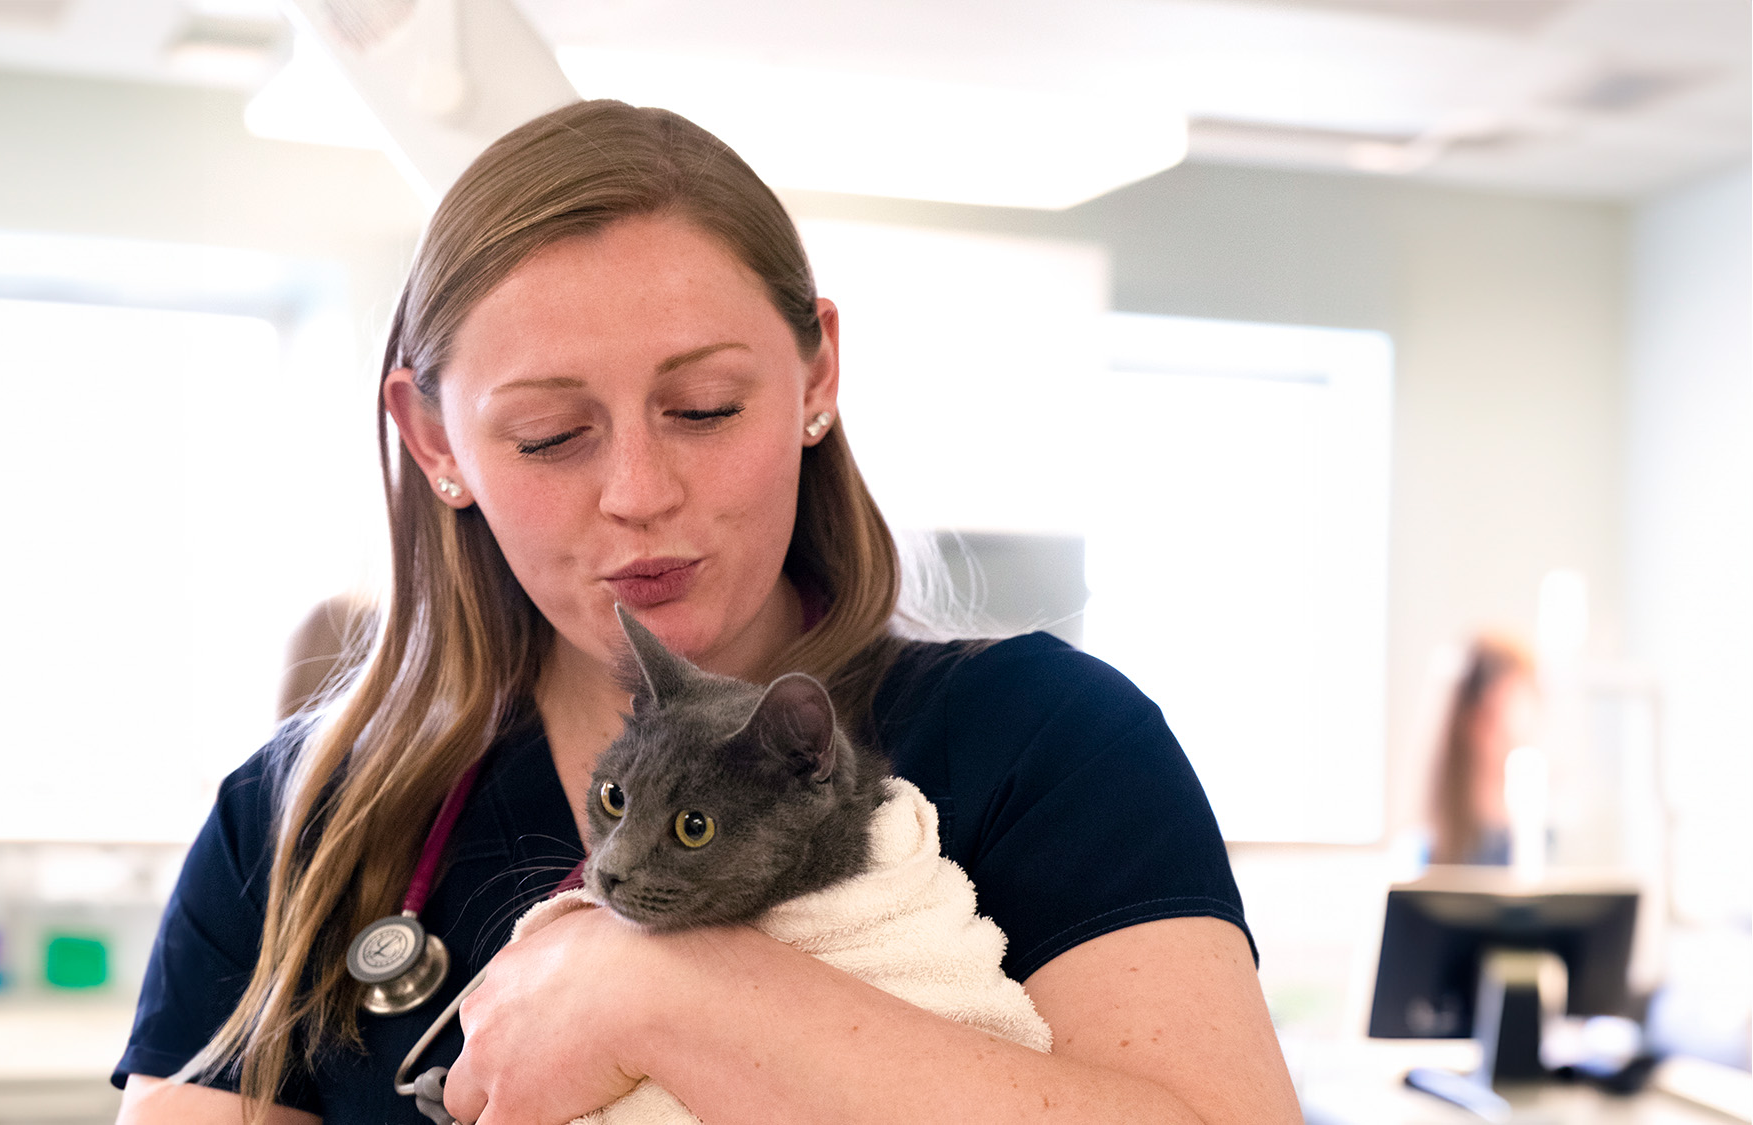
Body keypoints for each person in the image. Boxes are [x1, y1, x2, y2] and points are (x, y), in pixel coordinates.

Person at [113, 100, 1299, 1125]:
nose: (639, 495)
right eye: (550, 436)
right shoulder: (299, 822)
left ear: (816, 376)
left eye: (704, 409)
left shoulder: (1042, 743)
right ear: (435, 442)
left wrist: (667, 996)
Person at [1425, 634, 1541, 867]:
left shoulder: (1538, 841)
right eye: (1499, 711)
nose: (1515, 728)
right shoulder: (1425, 850)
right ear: (1472, 718)